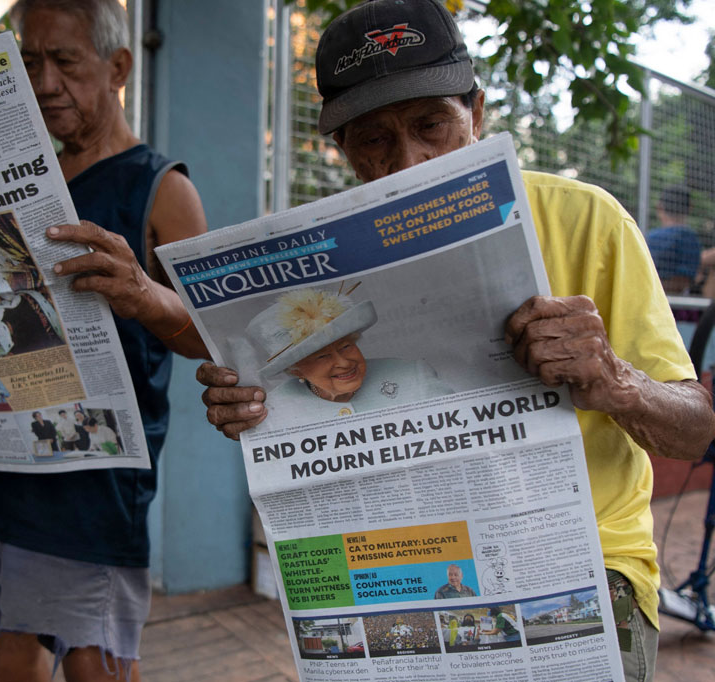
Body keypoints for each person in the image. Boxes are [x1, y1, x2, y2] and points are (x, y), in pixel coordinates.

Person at [196, 2, 715, 679]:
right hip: (395, 568)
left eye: (432, 125)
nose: (409, 161)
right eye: (374, 139)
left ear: (477, 113)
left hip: (582, 568)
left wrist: (616, 381)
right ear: (343, 149)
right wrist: (260, 412)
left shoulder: (587, 220)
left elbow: (697, 432)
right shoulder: (320, 272)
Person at [0, 1, 208, 680]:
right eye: (29, 60)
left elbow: (210, 335)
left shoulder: (160, 189)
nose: (44, 82)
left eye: (65, 61)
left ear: (118, 68)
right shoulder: (18, 181)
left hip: (90, 477)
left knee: (90, 658)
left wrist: (145, 295)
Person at [246, 287, 451, 428]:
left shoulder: (413, 376)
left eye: (346, 346)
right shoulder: (275, 408)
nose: (343, 363)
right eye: (323, 356)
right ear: (295, 369)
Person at [645, 185, 701, 294]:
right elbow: (684, 281)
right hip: (681, 305)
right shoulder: (692, 239)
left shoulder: (648, 238)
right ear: (690, 207)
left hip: (651, 299)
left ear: (659, 207)